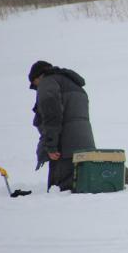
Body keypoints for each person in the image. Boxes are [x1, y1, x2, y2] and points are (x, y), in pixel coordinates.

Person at [29, 61, 96, 191]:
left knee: (62, 192)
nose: (36, 88)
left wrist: (51, 145)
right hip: (85, 146)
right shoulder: (75, 84)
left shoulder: (47, 83)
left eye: (34, 83)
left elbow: (52, 116)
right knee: (83, 187)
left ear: (38, 77)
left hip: (64, 150)